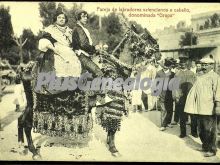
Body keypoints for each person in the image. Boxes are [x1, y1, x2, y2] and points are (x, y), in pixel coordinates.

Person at [184, 57, 220, 157]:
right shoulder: (200, 76)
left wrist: (217, 106)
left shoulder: (215, 77)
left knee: (210, 130)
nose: (204, 66)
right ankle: (205, 146)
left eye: (206, 64)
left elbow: (218, 92)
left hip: (209, 108)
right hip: (199, 108)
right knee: (201, 129)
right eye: (203, 64)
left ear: (211, 65)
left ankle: (212, 150)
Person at [72, 9, 103, 77]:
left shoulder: (82, 28)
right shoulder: (78, 29)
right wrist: (94, 48)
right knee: (99, 73)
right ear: (78, 18)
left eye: (86, 17)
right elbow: (83, 44)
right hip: (81, 55)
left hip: (85, 55)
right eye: (83, 16)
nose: (86, 18)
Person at [172, 57, 197, 138]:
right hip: (181, 97)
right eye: (181, 64)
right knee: (182, 116)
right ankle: (183, 132)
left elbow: (195, 85)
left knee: (193, 116)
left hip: (190, 97)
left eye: (184, 63)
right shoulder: (177, 74)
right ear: (180, 64)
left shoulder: (192, 73)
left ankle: (194, 132)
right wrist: (176, 96)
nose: (182, 65)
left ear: (186, 64)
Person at [155, 58, 175, 131]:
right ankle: (163, 125)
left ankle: (168, 122)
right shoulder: (159, 73)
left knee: (170, 109)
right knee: (163, 109)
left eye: (167, 65)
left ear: (169, 66)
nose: (165, 67)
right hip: (162, 94)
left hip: (170, 94)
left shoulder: (172, 74)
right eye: (165, 65)